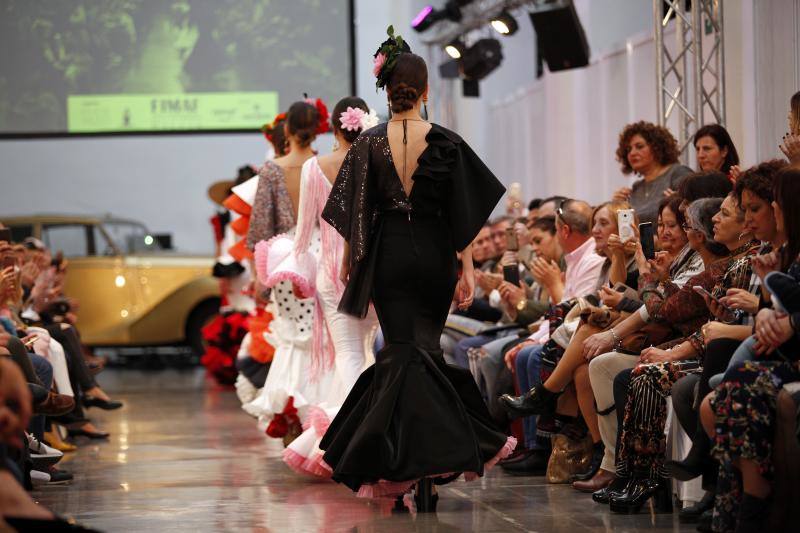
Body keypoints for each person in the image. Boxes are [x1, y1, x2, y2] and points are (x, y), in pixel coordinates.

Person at [318, 29, 514, 512]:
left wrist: (350, 260)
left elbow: (356, 212)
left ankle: (397, 461)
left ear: (386, 90)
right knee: (423, 352)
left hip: (387, 258)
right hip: (434, 257)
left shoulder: (367, 144)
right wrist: (467, 267)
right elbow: (462, 212)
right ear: (425, 90)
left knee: (402, 353)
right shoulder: (446, 142)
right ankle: (428, 462)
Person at [280, 96, 380, 477]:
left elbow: (304, 231)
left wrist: (298, 272)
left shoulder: (313, 168)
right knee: (368, 352)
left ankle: (350, 437)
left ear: (335, 129)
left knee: (350, 355)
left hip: (331, 273)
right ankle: (366, 433)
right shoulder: (376, 161)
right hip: (373, 270)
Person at [243, 99, 334, 443]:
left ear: (287, 130)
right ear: (317, 129)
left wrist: (258, 275)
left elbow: (259, 229)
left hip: (286, 262)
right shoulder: (325, 166)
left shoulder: (272, 171)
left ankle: (293, 415)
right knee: (323, 339)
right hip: (323, 260)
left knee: (293, 338)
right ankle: (322, 412)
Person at [613, 121, 693, 224]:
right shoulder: (636, 187)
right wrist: (617, 206)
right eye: (628, 149)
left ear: (657, 148)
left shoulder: (678, 173)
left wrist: (677, 201)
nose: (632, 153)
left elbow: (691, 212)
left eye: (639, 146)